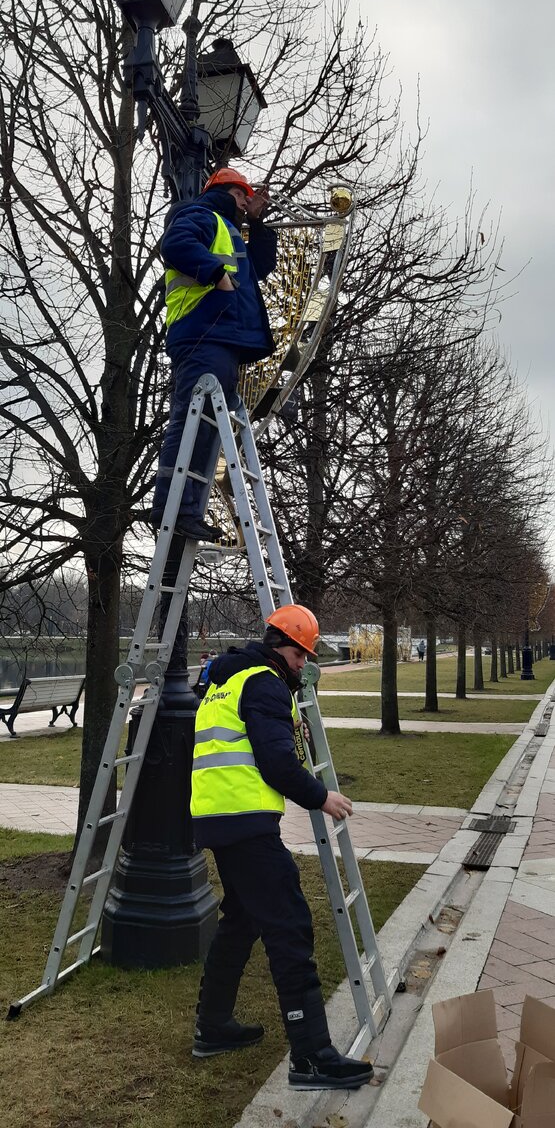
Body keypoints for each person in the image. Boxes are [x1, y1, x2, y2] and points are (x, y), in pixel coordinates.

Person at [190, 604, 373, 1091]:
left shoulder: (224, 680)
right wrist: (321, 796)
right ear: (279, 647)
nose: (302, 665)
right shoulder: (265, 682)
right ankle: (311, 1056)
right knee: (288, 925)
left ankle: (213, 1027)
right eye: (298, 655)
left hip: (217, 816)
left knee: (243, 919)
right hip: (245, 822)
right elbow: (274, 761)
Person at [150, 167, 277, 542]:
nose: (244, 203)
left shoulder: (230, 229)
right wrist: (216, 274)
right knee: (191, 418)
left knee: (206, 426)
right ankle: (171, 507)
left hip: (220, 337)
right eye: (240, 196)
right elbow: (175, 246)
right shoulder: (200, 215)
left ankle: (186, 509)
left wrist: (257, 220)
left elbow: (261, 266)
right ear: (223, 192)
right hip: (203, 332)